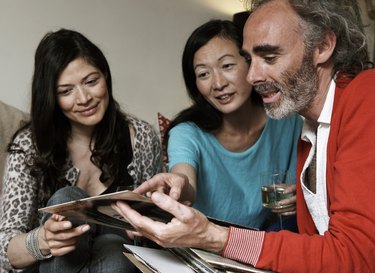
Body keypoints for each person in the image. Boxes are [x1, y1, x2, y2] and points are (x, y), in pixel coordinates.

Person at [113, 0, 375, 272]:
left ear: (322, 46)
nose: (252, 76)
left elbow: (357, 253)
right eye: (250, 59)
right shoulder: (309, 129)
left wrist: (217, 238)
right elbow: (318, 245)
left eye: (269, 58)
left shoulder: (365, 94)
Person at [0, 29, 162, 272]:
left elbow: (157, 221)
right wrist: (43, 240)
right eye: (66, 91)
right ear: (51, 97)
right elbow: (4, 248)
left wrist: (144, 228)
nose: (84, 98)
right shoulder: (28, 146)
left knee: (115, 252)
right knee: (66, 200)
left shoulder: (141, 137)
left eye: (91, 81)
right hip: (51, 265)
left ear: (105, 76)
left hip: (118, 259)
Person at [162, 19, 302, 230]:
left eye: (227, 66)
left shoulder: (286, 120)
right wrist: (179, 187)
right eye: (203, 74)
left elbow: (302, 186)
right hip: (204, 242)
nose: (218, 84)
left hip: (261, 240)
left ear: (250, 63)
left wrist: (298, 196)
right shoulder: (186, 133)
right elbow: (184, 180)